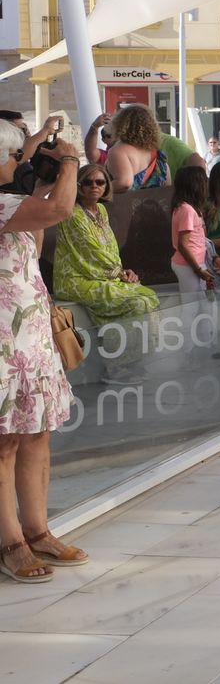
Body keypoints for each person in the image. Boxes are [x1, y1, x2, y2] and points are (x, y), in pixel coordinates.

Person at [0, 120, 90, 585]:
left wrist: (33, 151)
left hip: (28, 336)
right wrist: (71, 159)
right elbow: (59, 210)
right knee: (5, 444)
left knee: (37, 433)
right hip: (4, 344)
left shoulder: (15, 202)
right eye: (15, 156)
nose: (22, 164)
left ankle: (37, 531)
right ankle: (10, 541)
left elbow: (36, 223)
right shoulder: (4, 205)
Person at [53, 162, 160, 323]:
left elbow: (110, 248)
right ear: (79, 185)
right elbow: (91, 252)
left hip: (102, 275)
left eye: (100, 182)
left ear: (106, 186)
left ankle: (142, 346)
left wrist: (123, 271)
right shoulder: (72, 214)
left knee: (148, 296)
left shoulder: (101, 210)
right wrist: (120, 273)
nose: (94, 186)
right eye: (88, 182)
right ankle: (117, 344)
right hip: (74, 279)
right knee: (138, 303)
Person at [170, 165, 220, 293]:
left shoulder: (191, 208)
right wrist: (198, 270)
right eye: (204, 181)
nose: (207, 184)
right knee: (191, 305)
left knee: (203, 303)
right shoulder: (186, 209)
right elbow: (183, 245)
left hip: (195, 263)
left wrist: (210, 259)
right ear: (195, 185)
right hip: (188, 265)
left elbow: (200, 238)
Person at [105, 103, 169, 192]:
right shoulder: (158, 155)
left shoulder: (118, 151)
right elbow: (167, 186)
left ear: (120, 124)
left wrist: (100, 190)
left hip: (125, 204)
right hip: (155, 204)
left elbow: (125, 183)